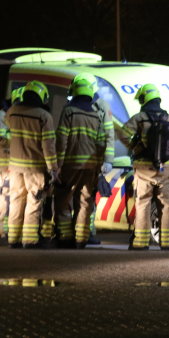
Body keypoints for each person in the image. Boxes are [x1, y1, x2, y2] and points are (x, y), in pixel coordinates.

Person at [117, 84, 169, 250]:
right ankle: (168, 242)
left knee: (143, 203)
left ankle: (141, 243)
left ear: (143, 99)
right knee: (165, 204)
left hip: (143, 168)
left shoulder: (140, 117)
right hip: (164, 168)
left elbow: (122, 133)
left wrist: (135, 145)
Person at [54, 76, 106, 249]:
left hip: (70, 165)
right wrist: (98, 167)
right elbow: (101, 143)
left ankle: (66, 237)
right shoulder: (95, 114)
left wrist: (58, 165)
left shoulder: (69, 111)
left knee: (62, 200)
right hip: (90, 166)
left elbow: (61, 139)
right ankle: (81, 239)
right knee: (85, 202)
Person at [5, 81, 58, 249]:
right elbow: (48, 146)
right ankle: (30, 239)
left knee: (15, 201)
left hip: (14, 168)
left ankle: (13, 238)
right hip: (35, 167)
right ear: (41, 96)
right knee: (34, 202)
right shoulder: (44, 116)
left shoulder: (12, 112)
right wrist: (53, 169)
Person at [70, 73, 115, 245]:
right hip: (78, 158)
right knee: (78, 196)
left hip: (92, 159)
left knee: (87, 197)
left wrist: (108, 160)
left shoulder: (102, 105)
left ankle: (86, 232)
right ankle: (77, 232)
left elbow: (109, 135)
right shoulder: (74, 103)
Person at [0, 96, 13, 246]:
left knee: (12, 199)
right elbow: (0, 140)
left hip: (13, 163)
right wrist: (20, 137)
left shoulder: (10, 115)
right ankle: (3, 232)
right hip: (5, 164)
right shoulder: (1, 115)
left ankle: (9, 231)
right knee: (5, 198)